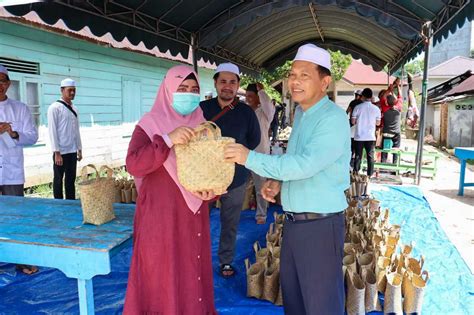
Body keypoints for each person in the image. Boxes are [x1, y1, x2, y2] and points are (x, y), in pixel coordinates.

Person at [224, 43, 350, 314]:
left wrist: (250, 158)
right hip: (296, 224)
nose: (294, 81)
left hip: (320, 225)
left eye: (304, 75)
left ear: (324, 82)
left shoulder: (333, 119)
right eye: (292, 75)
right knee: (295, 301)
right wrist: (280, 182)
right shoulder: (303, 115)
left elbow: (305, 164)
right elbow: (298, 161)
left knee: (321, 305)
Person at [123, 65, 217, 315]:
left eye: (194, 89)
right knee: (161, 273)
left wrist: (212, 192)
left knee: (191, 269)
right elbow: (133, 163)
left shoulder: (203, 125)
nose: (189, 94)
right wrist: (166, 139)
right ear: (167, 91)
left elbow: (213, 169)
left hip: (193, 213)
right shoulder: (150, 124)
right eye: (182, 89)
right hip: (160, 216)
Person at [200, 63, 260, 278]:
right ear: (215, 83)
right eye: (223, 81)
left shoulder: (246, 113)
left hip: (236, 178)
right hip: (204, 179)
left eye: (232, 82)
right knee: (198, 222)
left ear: (238, 86)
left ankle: (225, 261)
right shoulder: (201, 109)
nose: (227, 86)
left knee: (230, 222)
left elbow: (254, 141)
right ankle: (197, 260)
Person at [0, 64, 39, 274]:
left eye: (2, 81)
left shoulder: (20, 108)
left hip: (12, 172)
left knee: (16, 217)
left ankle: (21, 260)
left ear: (8, 84)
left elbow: (32, 136)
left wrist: (13, 134)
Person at [47, 78, 82, 200]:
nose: (72, 93)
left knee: (70, 180)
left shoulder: (75, 109)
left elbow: (76, 131)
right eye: (69, 90)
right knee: (58, 180)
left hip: (72, 151)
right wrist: (57, 152)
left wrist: (79, 148)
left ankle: (70, 203)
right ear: (62, 90)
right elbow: (52, 131)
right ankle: (58, 205)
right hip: (60, 152)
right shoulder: (54, 108)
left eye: (74, 90)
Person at [245, 82, 275, 224]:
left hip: (260, 156)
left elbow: (268, 105)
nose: (248, 99)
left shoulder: (265, 113)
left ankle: (261, 215)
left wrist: (262, 91)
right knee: (239, 186)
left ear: (258, 98)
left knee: (261, 187)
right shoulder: (243, 112)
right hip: (243, 155)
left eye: (251, 96)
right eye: (247, 97)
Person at [352, 88, 382, 177]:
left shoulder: (357, 107)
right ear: (371, 96)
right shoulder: (376, 109)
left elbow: (353, 121)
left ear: (363, 96)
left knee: (358, 155)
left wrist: (359, 120)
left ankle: (356, 173)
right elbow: (378, 123)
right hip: (370, 136)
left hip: (359, 136)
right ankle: (369, 174)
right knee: (370, 156)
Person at [381, 95, 401, 164]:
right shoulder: (398, 109)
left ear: (387, 102)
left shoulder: (384, 110)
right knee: (396, 148)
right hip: (395, 133)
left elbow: (382, 99)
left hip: (386, 132)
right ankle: (395, 163)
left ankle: (383, 162)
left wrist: (390, 90)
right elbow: (400, 97)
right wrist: (398, 86)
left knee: (384, 148)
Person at [346, 89, 363, 168]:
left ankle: (351, 159)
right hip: (360, 124)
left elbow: (347, 111)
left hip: (351, 123)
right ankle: (356, 160)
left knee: (351, 142)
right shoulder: (362, 104)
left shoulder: (353, 102)